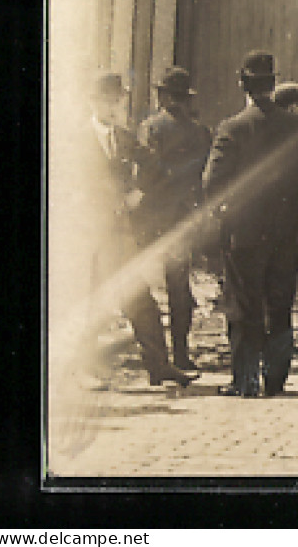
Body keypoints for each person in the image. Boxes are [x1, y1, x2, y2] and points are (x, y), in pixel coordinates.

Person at [201, 51, 298, 398]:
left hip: (244, 233)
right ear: (273, 85)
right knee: (280, 305)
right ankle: (275, 381)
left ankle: (245, 381)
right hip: (286, 232)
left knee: (243, 306)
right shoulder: (297, 127)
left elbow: (212, 183)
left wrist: (235, 209)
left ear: (242, 84)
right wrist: (293, 204)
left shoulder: (232, 128)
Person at [85, 73, 197, 387]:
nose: (113, 106)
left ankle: (159, 366)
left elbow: (154, 167)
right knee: (90, 299)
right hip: (88, 235)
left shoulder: (124, 138)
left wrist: (139, 191)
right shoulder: (76, 139)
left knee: (140, 299)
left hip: (120, 233)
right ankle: (82, 368)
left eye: (117, 100)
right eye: (107, 100)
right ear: (92, 101)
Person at [134, 66, 211, 371]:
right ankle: (181, 352)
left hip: (153, 219)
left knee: (143, 286)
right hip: (184, 218)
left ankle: (156, 354)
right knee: (180, 287)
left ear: (163, 96)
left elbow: (144, 175)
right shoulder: (201, 132)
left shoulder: (151, 128)